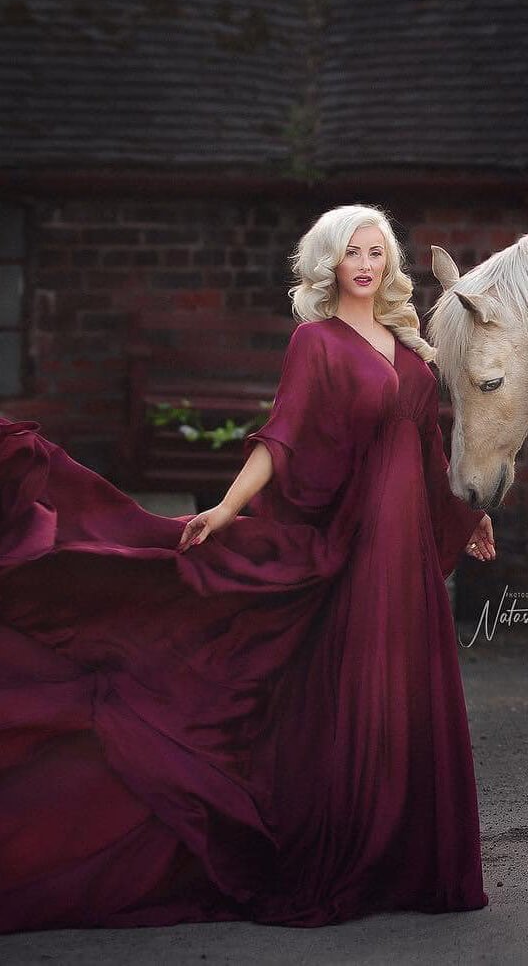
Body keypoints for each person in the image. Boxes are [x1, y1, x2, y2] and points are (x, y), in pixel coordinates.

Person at [0, 204, 494, 933]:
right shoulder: (316, 342)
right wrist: (228, 508)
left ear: (389, 264)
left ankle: (414, 864)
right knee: (363, 686)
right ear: (329, 263)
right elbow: (283, 436)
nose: (364, 264)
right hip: (358, 545)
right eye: (351, 252)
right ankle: (357, 854)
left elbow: (426, 449)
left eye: (375, 252)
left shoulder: (407, 344)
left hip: (409, 546)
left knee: (410, 687)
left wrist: (467, 508)